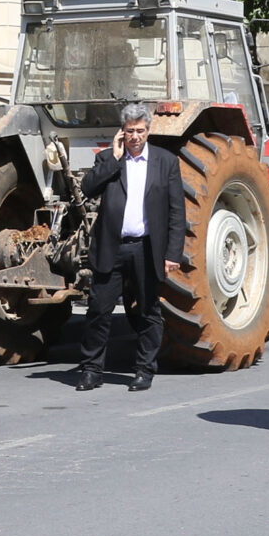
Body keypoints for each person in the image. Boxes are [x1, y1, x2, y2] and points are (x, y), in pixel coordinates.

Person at [74, 103, 185, 392]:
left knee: (148, 311)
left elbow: (177, 211)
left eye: (140, 131)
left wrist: (173, 254)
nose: (135, 136)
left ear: (148, 131)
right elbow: (87, 188)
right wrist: (113, 158)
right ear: (121, 132)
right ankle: (91, 370)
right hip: (112, 246)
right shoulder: (110, 159)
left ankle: (144, 370)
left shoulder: (166, 162)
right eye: (129, 131)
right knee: (99, 310)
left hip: (146, 248)